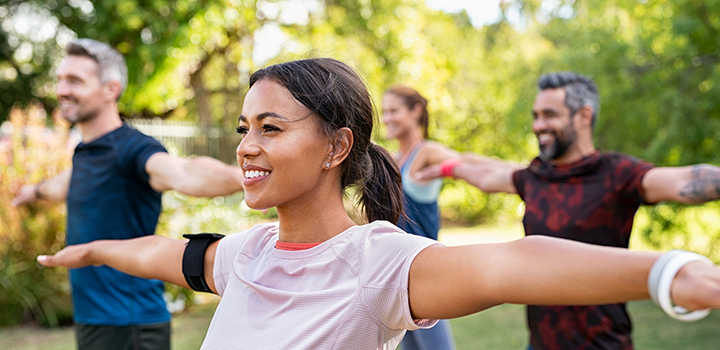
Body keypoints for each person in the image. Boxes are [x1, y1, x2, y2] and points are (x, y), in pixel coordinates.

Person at [36, 59, 720, 350]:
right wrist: (94, 250)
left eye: (270, 128)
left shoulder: (378, 261)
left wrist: (666, 273)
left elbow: (516, 263)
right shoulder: (246, 254)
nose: (246, 145)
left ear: (337, 147)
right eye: (245, 127)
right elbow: (168, 255)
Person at [416, 71, 720, 350]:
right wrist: (444, 168)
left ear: (583, 115)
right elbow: (485, 176)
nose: (538, 125)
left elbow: (684, 180)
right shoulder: (534, 176)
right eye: (536, 116)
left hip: (601, 343)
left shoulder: (617, 174)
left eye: (550, 115)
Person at [11, 39, 244, 350]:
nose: (62, 90)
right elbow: (62, 185)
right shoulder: (86, 153)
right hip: (94, 320)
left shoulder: (132, 149)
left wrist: (245, 177)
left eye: (75, 80)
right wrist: (31, 192)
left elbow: (183, 172)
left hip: (130, 325)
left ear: (111, 89)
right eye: (60, 79)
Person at [381, 86, 457, 350]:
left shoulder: (427, 153)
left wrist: (444, 169)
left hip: (425, 274)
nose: (386, 118)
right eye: (384, 112)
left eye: (393, 111)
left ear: (415, 111)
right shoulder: (392, 160)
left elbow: (466, 164)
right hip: (395, 274)